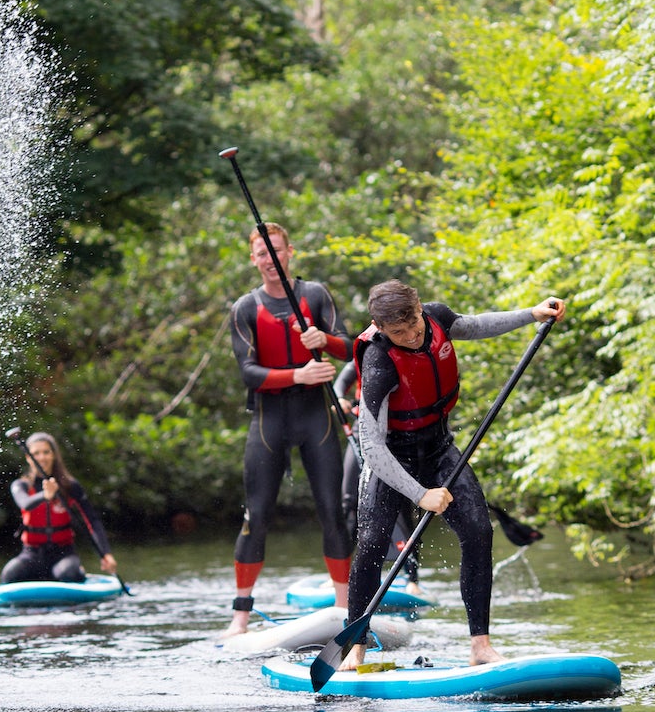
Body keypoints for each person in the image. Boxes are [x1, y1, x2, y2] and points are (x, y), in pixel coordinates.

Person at [341, 279, 565, 669]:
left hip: (440, 449)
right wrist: (419, 494)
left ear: (419, 309)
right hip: (393, 459)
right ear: (380, 329)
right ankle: (354, 646)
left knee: (479, 531)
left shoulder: (437, 317)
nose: (411, 336)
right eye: (398, 333)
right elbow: (373, 449)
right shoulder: (378, 363)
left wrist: (531, 314)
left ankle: (480, 644)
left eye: (413, 324)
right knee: (374, 542)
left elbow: (475, 325)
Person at [223, 223, 354, 638]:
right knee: (256, 516)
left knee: (332, 513)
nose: (270, 260)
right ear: (254, 259)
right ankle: (240, 617)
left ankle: (344, 607)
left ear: (289, 252)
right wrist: (299, 374)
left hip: (316, 418)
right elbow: (248, 373)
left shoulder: (314, 295)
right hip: (269, 422)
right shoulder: (245, 307)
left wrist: (325, 341)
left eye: (276, 251)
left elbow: (351, 347)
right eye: (262, 253)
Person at [334, 360, 423, 592]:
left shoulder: (406, 355)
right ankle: (341, 575)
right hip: (362, 433)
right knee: (349, 502)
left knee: (400, 504)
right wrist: (340, 399)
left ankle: (412, 578)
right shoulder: (365, 354)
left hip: (398, 437)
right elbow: (339, 385)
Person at [3, 432, 118, 583]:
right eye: (36, 453)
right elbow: (25, 504)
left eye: (46, 452)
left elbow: (92, 520)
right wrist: (45, 495)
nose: (41, 457)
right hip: (32, 553)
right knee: (10, 575)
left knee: (68, 573)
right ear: (28, 458)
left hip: (63, 553)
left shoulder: (70, 486)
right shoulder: (21, 485)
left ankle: (76, 572)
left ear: (54, 455)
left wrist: (106, 554)